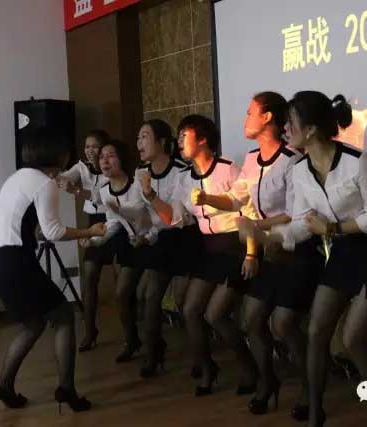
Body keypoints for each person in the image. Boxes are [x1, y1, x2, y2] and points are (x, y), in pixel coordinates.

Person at [194, 92, 323, 418]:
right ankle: (267, 381)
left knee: (283, 324)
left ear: (267, 118)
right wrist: (208, 198)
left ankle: (310, 389)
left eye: (251, 112)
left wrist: (255, 226)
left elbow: (294, 214)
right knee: (251, 319)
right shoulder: (252, 160)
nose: (246, 118)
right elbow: (236, 200)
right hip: (269, 253)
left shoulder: (292, 160)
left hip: (296, 252)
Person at [284, 91, 367, 426]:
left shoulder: (356, 161)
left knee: (353, 339)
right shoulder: (299, 171)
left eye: (290, 122)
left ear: (310, 129)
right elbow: (302, 223)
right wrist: (269, 236)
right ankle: (315, 412)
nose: (285, 129)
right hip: (343, 251)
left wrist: (332, 228)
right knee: (316, 331)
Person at [0, 130, 104, 413]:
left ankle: (4, 386)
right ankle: (67, 389)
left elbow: (32, 228)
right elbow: (52, 232)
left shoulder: (17, 178)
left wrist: (43, 232)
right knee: (64, 317)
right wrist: (88, 231)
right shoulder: (43, 183)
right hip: (17, 264)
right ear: (57, 155)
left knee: (34, 324)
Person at [140, 115, 257, 396]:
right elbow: (175, 218)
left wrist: (252, 254)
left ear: (203, 139)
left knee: (215, 314)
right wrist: (151, 195)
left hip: (235, 247)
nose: (179, 141)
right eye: (178, 136)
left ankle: (249, 368)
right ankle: (207, 368)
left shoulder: (228, 169)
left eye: (185, 135)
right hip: (209, 249)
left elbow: (248, 210)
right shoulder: (184, 178)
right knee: (191, 310)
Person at [80, 141, 152, 364]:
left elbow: (157, 217)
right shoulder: (104, 191)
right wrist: (93, 240)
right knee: (122, 294)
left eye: (110, 155)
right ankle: (132, 341)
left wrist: (147, 237)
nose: (104, 160)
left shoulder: (138, 186)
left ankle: (151, 344)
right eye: (102, 156)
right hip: (130, 244)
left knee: (137, 294)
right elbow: (113, 223)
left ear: (122, 159)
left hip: (152, 242)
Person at [133, 119, 192, 377]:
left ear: (162, 142)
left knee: (180, 301)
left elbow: (175, 218)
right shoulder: (140, 173)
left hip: (184, 238)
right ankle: (153, 351)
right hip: (159, 239)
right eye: (138, 138)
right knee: (146, 295)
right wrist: (143, 234)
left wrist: (151, 197)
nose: (140, 143)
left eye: (145, 137)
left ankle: (196, 356)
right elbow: (145, 216)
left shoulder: (181, 171)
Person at [56, 129, 110, 352]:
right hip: (93, 222)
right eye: (87, 146)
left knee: (122, 284)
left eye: (94, 146)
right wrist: (56, 175)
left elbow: (106, 197)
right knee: (89, 276)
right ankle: (90, 331)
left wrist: (77, 191)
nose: (90, 151)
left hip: (116, 219)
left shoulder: (112, 165)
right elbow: (66, 177)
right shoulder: (82, 167)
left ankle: (132, 334)